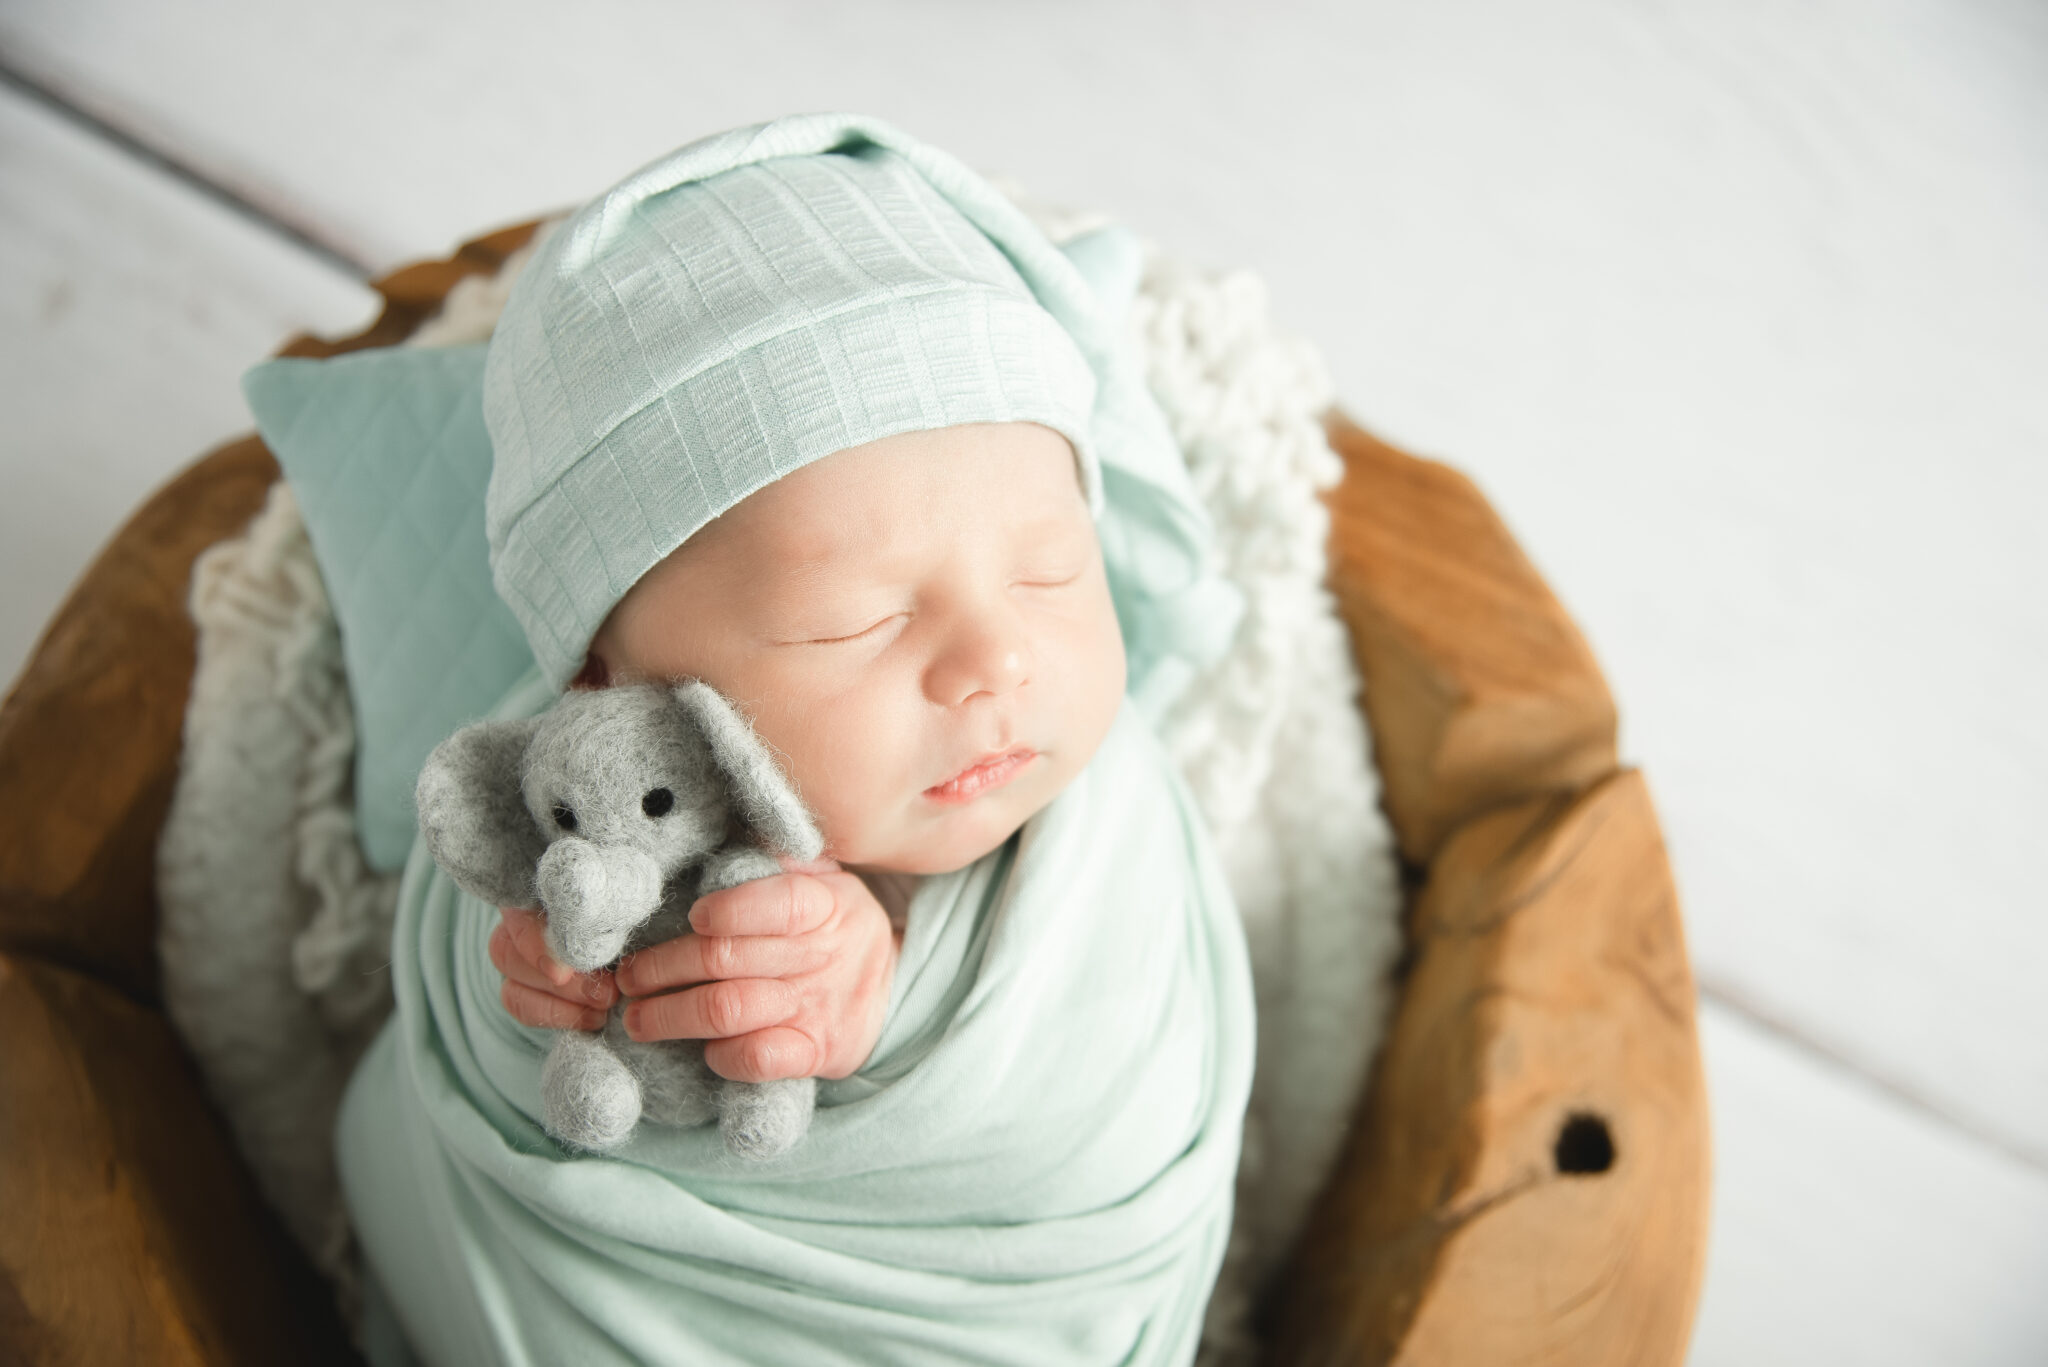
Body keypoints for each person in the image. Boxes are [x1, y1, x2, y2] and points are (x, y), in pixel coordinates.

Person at [336, 113, 1255, 1366]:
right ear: (613, 676)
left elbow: (1108, 1092)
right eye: (852, 622)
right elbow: (494, 1048)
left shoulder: (1109, 835)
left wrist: (883, 997)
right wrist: (555, 993)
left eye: (1051, 569)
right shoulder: (577, 777)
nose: (997, 660)